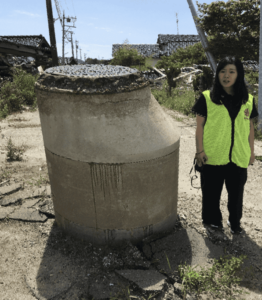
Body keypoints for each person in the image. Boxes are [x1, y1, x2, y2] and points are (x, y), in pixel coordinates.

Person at [191, 56, 259, 234]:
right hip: (212, 155)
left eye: (231, 72)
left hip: (238, 156)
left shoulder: (249, 100)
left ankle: (234, 222)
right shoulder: (207, 98)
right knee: (211, 193)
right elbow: (199, 126)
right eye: (222, 71)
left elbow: (250, 128)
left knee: (236, 195)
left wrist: (251, 152)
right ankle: (213, 221)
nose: (226, 76)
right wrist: (199, 151)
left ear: (239, 74)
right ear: (217, 74)